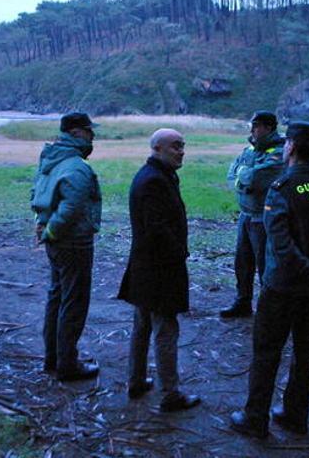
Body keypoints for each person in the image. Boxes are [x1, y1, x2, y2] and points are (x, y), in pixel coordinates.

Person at [229, 121, 309, 439]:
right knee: (305, 347)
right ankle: (296, 415)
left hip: (283, 287)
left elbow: (281, 244)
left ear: (291, 148)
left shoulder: (282, 188)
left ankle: (255, 418)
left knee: (267, 350)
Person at [118, 128, 201, 412]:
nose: (181, 151)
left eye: (183, 146)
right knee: (165, 329)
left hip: (147, 267)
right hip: (158, 269)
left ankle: (136, 380)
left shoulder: (156, 176)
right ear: (157, 149)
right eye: (175, 146)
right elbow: (157, 229)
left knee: (142, 325)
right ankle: (171, 393)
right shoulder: (153, 180)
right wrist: (179, 252)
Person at [30, 112, 103, 382]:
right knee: (73, 301)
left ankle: (54, 358)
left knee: (57, 296)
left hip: (56, 241)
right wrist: (51, 229)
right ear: (75, 133)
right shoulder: (76, 166)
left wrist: (43, 226)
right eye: (88, 130)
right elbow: (72, 206)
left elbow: (35, 192)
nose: (92, 135)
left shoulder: (50, 158)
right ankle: (68, 364)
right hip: (74, 241)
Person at [221, 111, 286, 318]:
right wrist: (245, 179)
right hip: (246, 214)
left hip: (263, 217)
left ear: (269, 128)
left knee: (264, 264)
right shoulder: (249, 149)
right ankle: (243, 302)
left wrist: (245, 177)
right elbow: (231, 174)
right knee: (242, 262)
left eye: (256, 125)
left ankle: (269, 308)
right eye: (252, 125)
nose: (252, 130)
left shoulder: (279, 151)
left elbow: (258, 178)